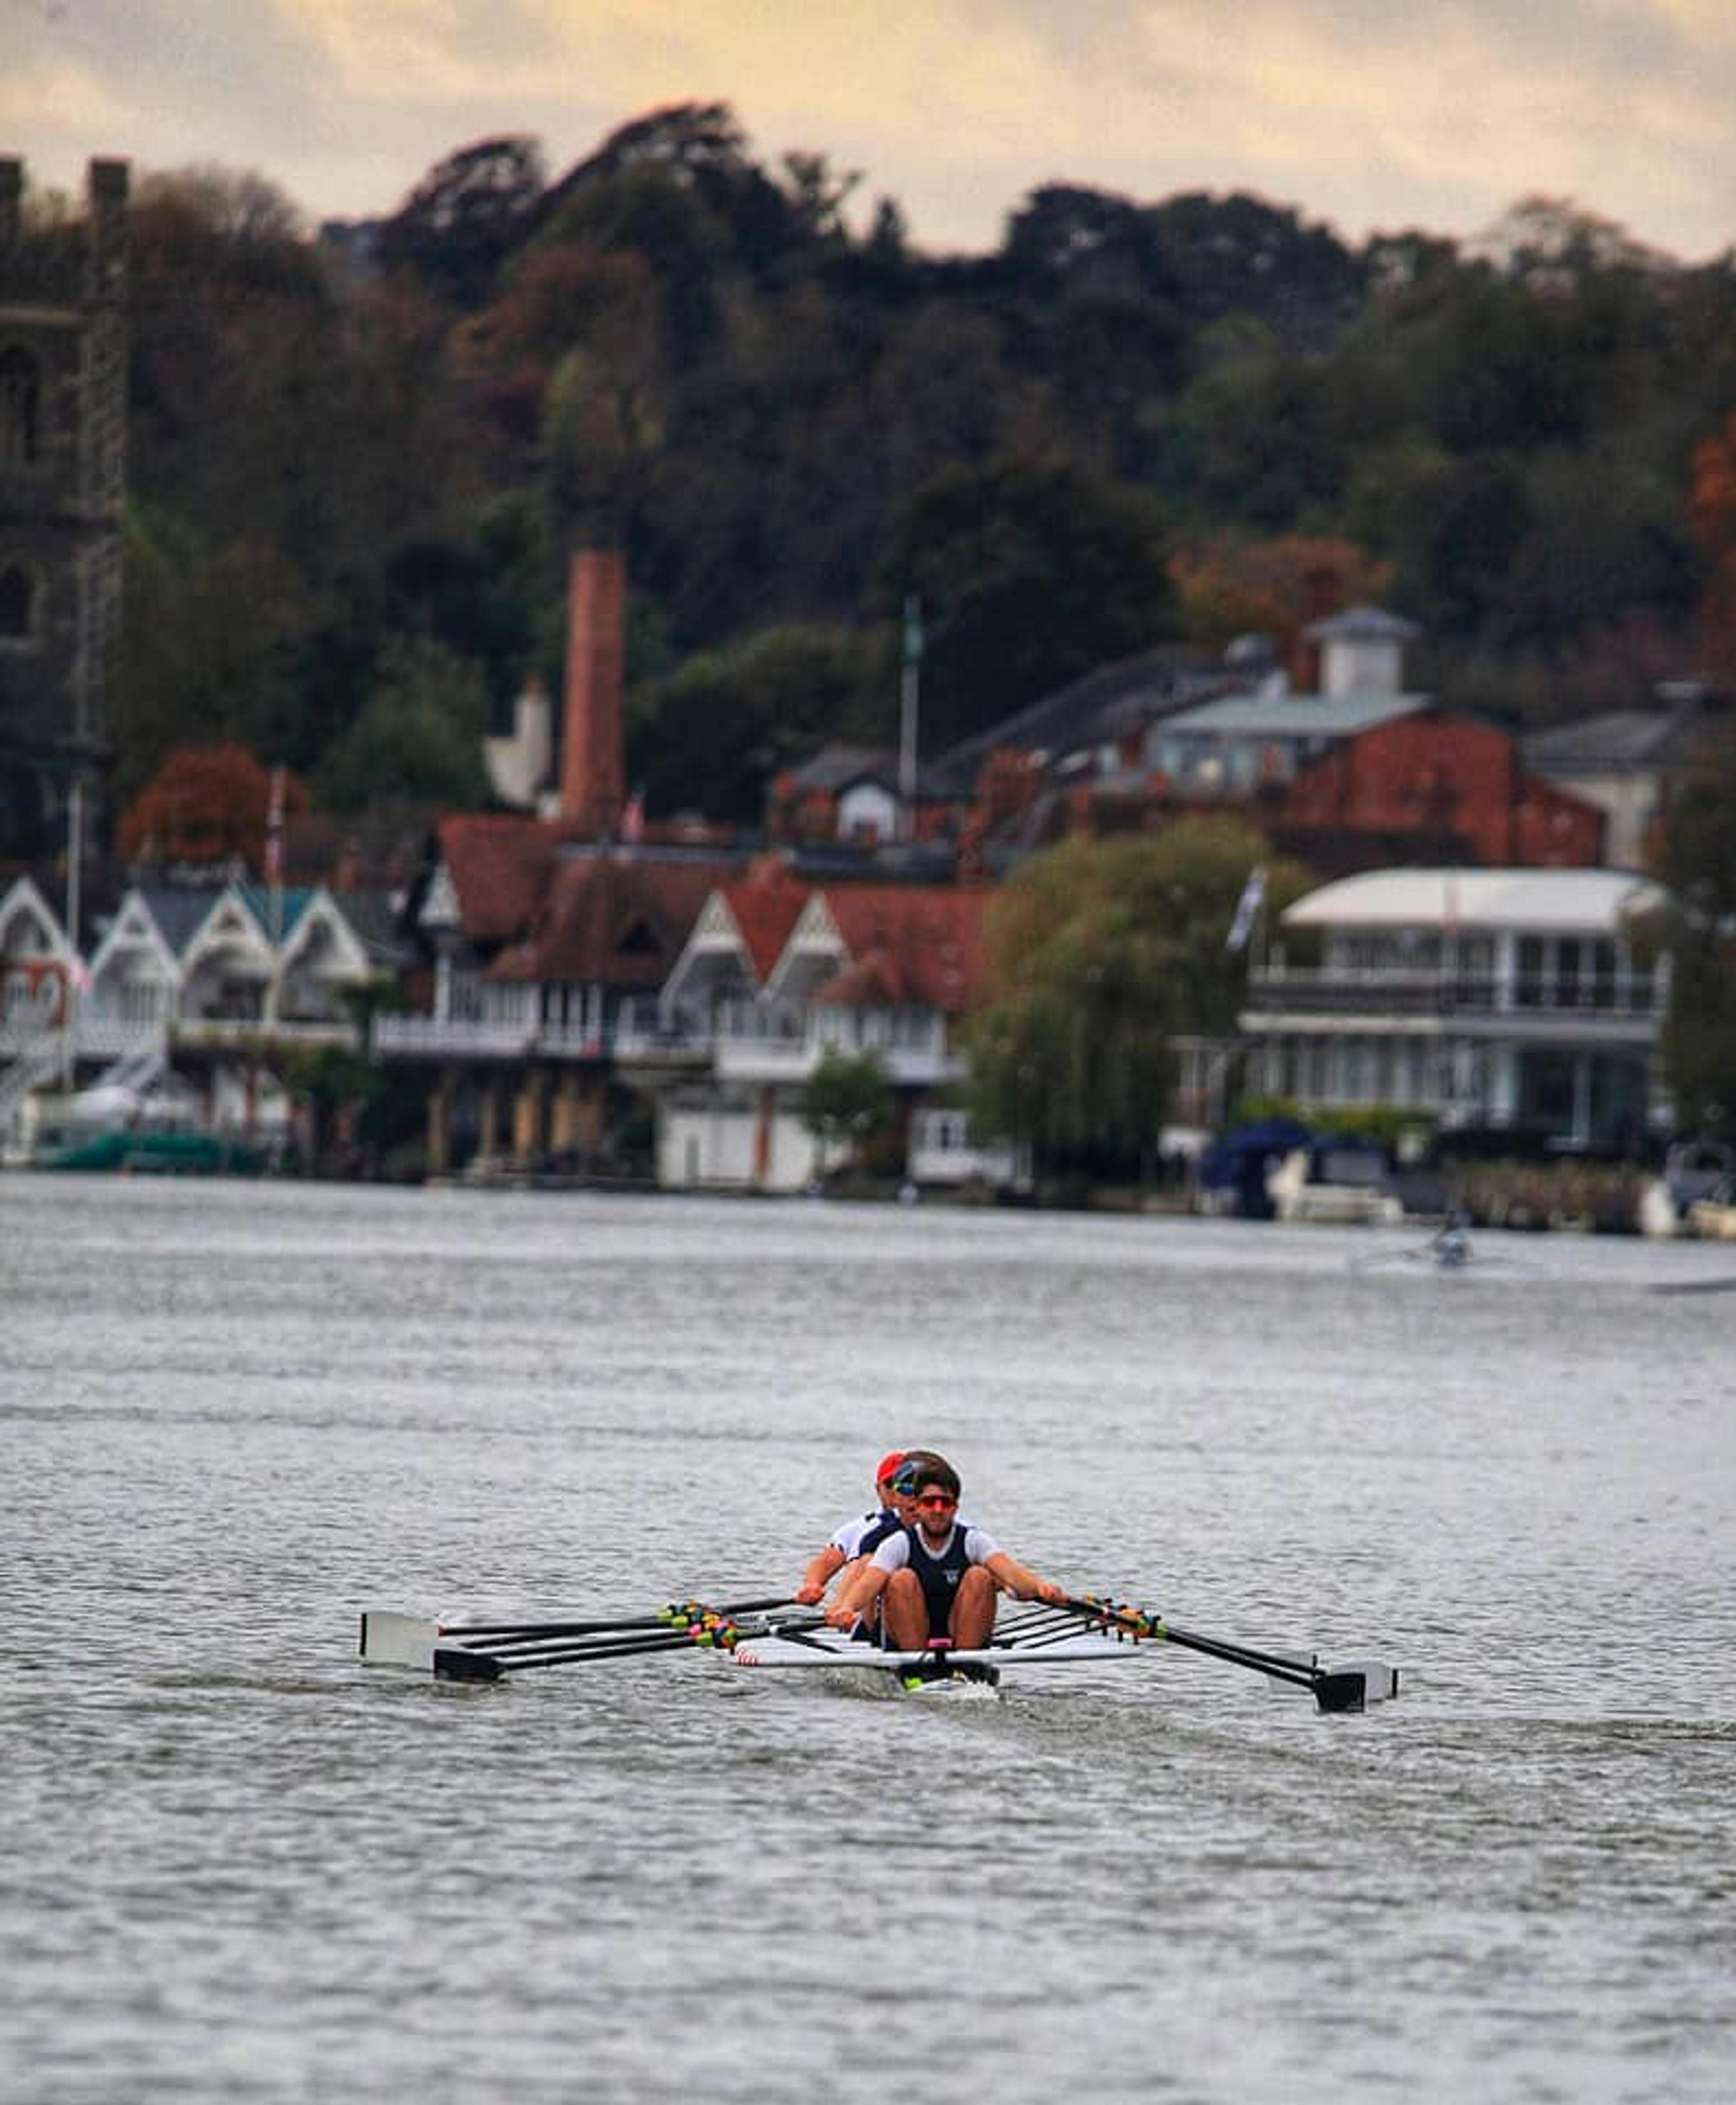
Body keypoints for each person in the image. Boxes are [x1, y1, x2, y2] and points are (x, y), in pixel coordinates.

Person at [828, 1457, 1066, 1650]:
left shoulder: (973, 1540)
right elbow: (870, 1583)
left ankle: (966, 1669)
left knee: (980, 1576)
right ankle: (914, 1671)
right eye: (930, 1503)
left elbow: (1010, 1571)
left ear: (956, 1507)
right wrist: (848, 1608)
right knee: (902, 1579)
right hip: (908, 1638)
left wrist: (1041, 1588)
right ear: (919, 1506)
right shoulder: (898, 1543)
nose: (938, 1510)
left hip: (960, 1633)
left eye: (945, 1503)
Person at [793, 1451, 920, 1606]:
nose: (896, 1492)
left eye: (910, 1486)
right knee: (866, 1562)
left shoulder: (937, 1523)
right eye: (890, 1484)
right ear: (878, 1489)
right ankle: (844, 1611)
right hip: (866, 1609)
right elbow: (826, 1560)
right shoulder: (858, 1529)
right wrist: (813, 1585)